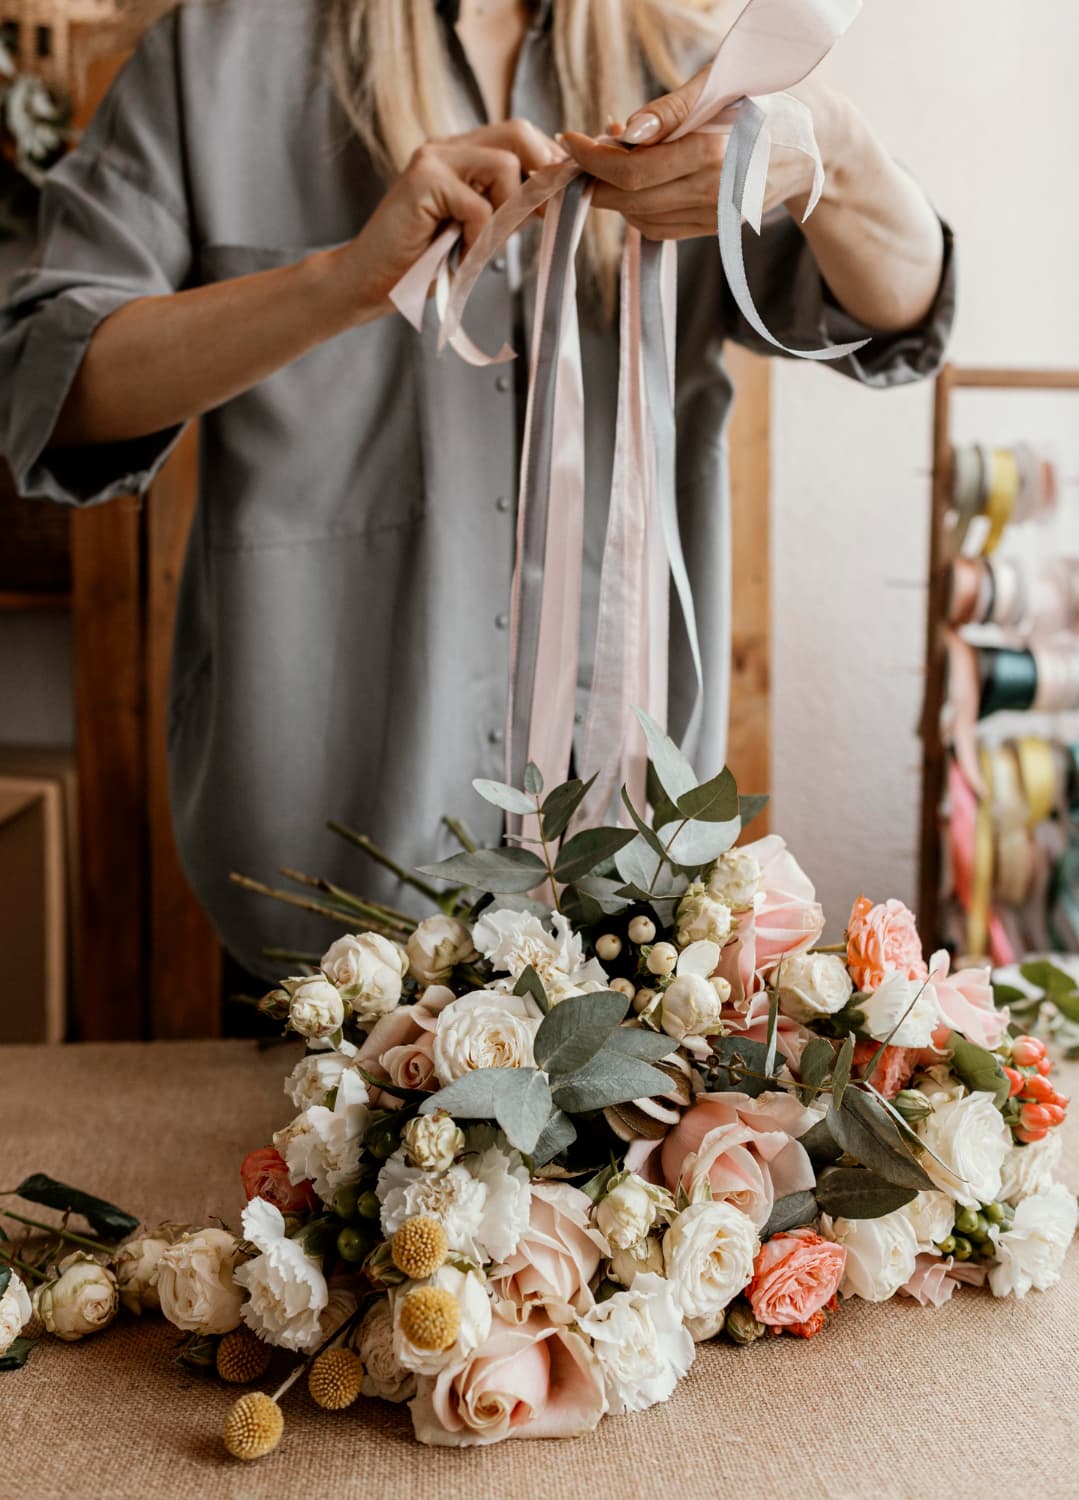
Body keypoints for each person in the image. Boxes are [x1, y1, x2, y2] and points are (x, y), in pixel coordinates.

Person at [0, 0, 953, 978]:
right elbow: (48, 381)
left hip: (630, 929)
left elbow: (906, 308)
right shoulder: (207, 60)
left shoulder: (699, 75)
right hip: (312, 922)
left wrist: (831, 155)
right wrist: (338, 284)